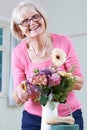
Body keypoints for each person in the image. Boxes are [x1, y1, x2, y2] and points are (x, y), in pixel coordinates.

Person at [10, 2, 84, 130]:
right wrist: (20, 94)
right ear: (19, 30)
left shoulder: (64, 42)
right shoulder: (18, 53)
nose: (32, 23)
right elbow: (18, 95)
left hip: (67, 117)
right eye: (25, 21)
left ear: (43, 18)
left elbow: (79, 82)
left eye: (35, 17)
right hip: (33, 120)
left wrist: (54, 79)